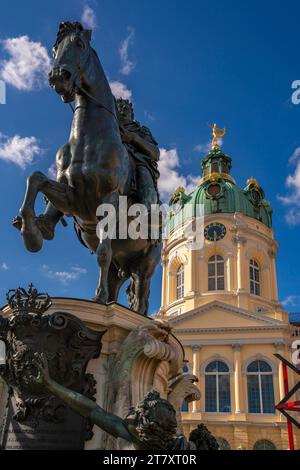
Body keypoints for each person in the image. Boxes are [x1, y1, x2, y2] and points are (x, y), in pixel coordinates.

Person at [32, 353, 218, 450]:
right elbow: (90, 410)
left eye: (136, 412)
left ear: (145, 427)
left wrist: (50, 385)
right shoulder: (178, 447)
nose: (131, 410)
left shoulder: (135, 437)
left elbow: (91, 410)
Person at [117, 98, 160, 211]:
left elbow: (155, 154)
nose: (122, 111)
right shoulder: (108, 128)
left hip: (137, 163)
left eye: (125, 109)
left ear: (131, 113)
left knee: (147, 197)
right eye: (119, 109)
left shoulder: (141, 131)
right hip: (110, 162)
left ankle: (150, 214)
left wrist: (133, 138)